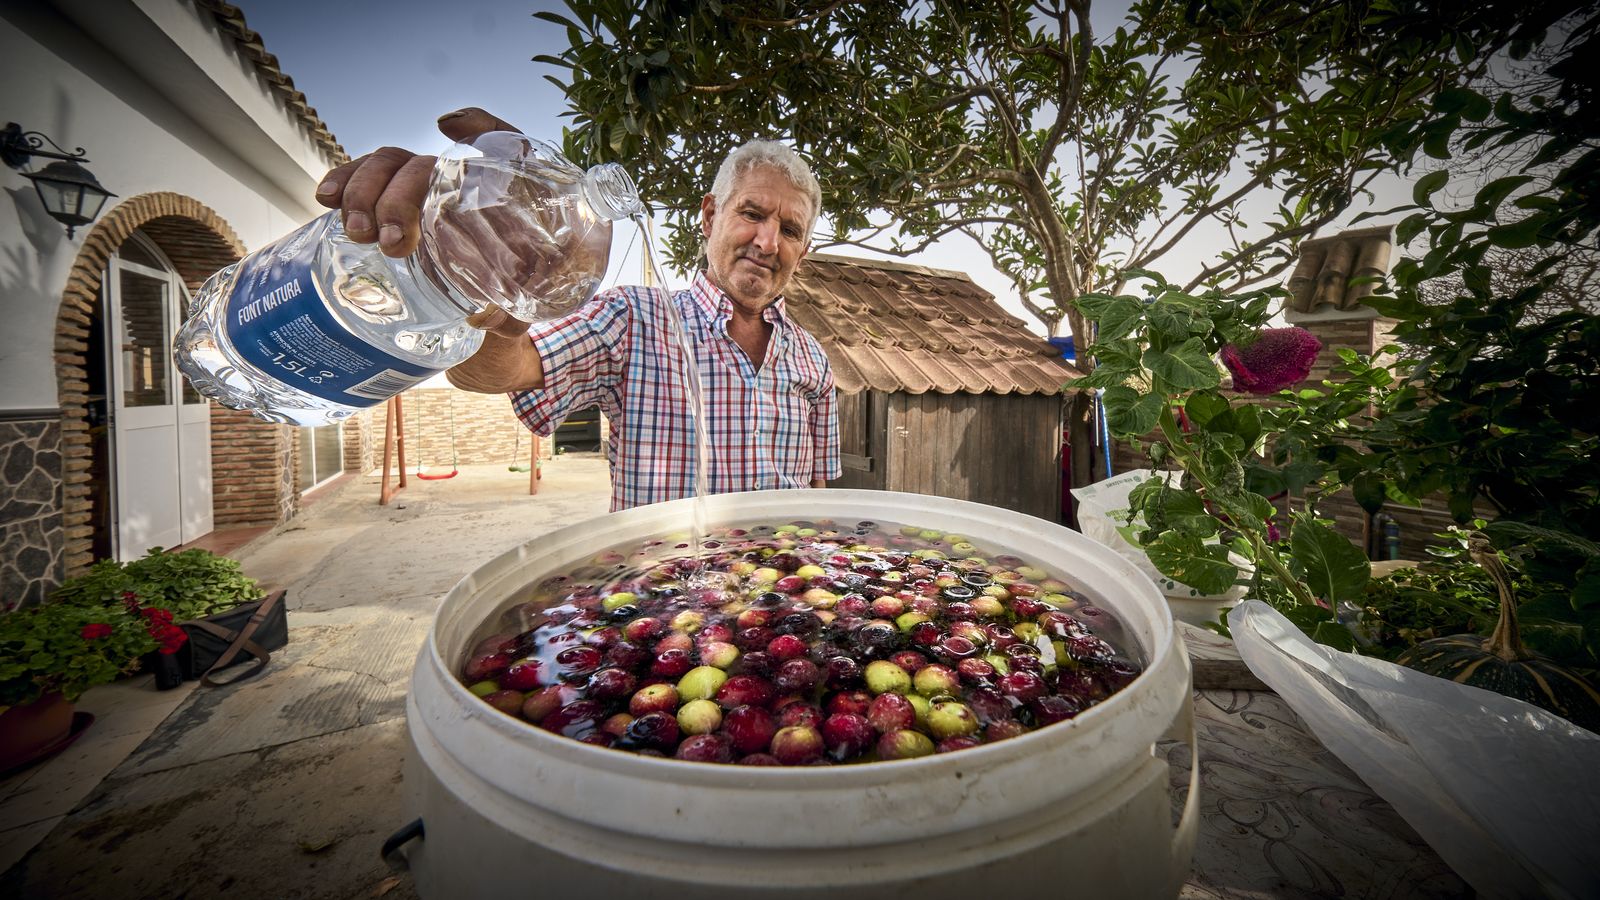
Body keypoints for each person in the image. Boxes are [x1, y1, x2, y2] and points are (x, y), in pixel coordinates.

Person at [314, 108, 841, 510]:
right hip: (655, 612)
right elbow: (504, 371)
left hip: (776, 613)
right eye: (751, 213)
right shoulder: (631, 321)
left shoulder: (811, 361)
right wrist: (478, 294)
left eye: (790, 230)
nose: (768, 242)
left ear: (804, 249)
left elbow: (817, 494)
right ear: (709, 216)